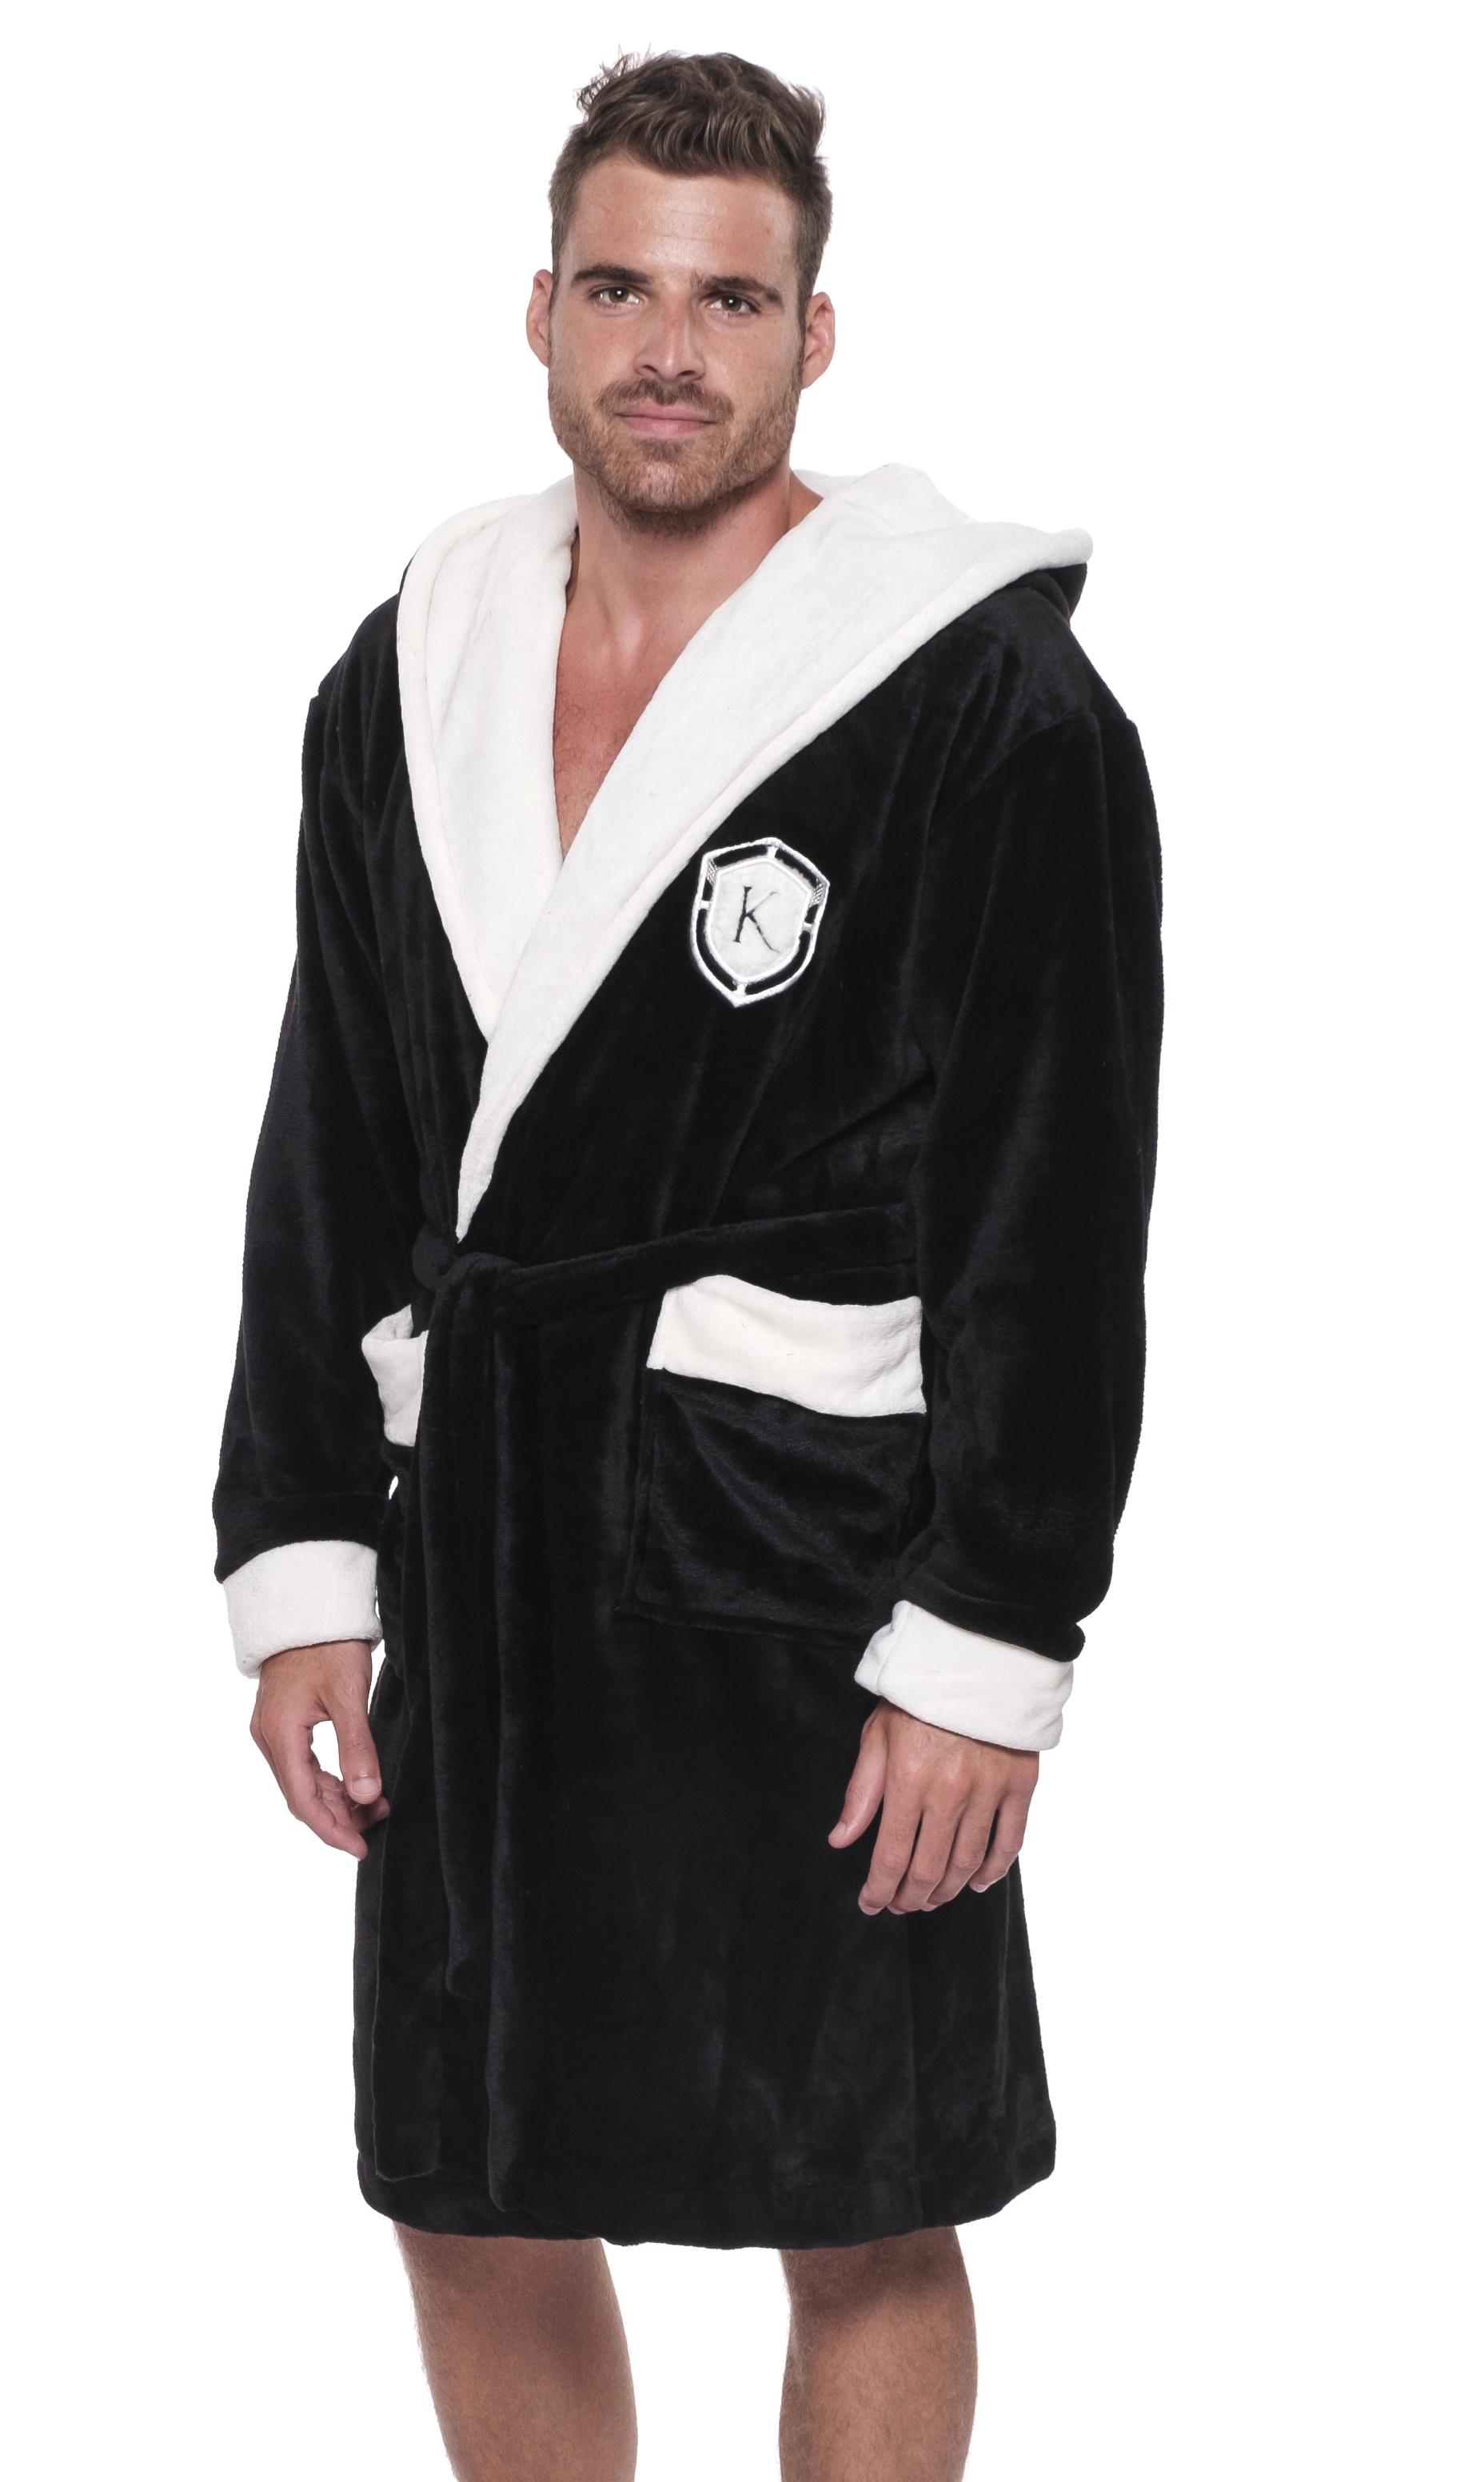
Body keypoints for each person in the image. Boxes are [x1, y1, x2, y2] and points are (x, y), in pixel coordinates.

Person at [216, 50, 1162, 2482]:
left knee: (862, 2194)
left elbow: (1058, 1208)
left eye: (730, 301)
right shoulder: (410, 666)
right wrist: (301, 1545)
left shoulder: (984, 699)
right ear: (539, 309)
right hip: (486, 1553)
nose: (670, 349)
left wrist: (993, 1636)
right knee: (467, 2180)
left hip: (812, 1567)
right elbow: (335, 1123)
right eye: (622, 289)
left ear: (813, 335)